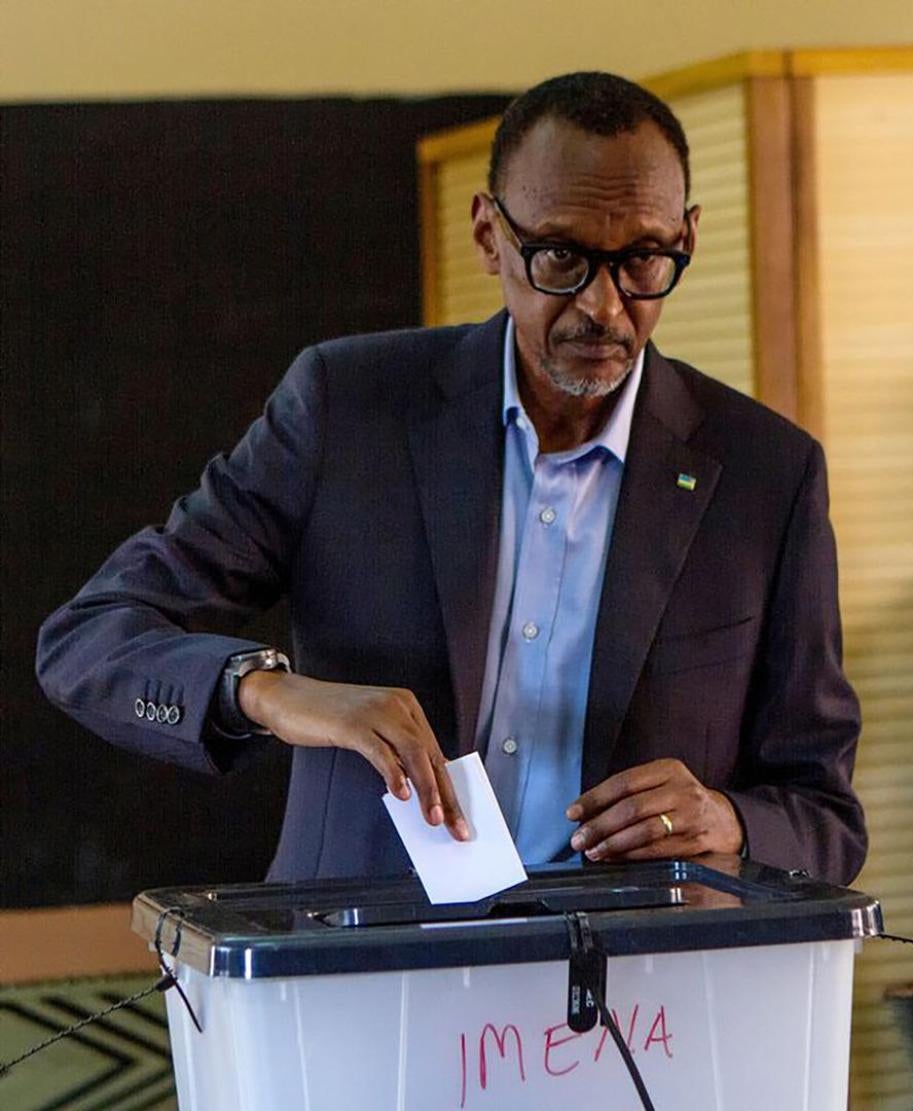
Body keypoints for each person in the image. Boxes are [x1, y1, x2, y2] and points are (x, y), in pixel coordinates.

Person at [36, 72, 867, 887]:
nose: (605, 307)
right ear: (488, 235)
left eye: (644, 259)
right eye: (561, 255)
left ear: (687, 237)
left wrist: (730, 819)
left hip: (637, 970)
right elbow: (90, 637)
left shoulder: (768, 475)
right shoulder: (345, 410)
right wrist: (271, 691)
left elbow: (825, 815)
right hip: (364, 961)